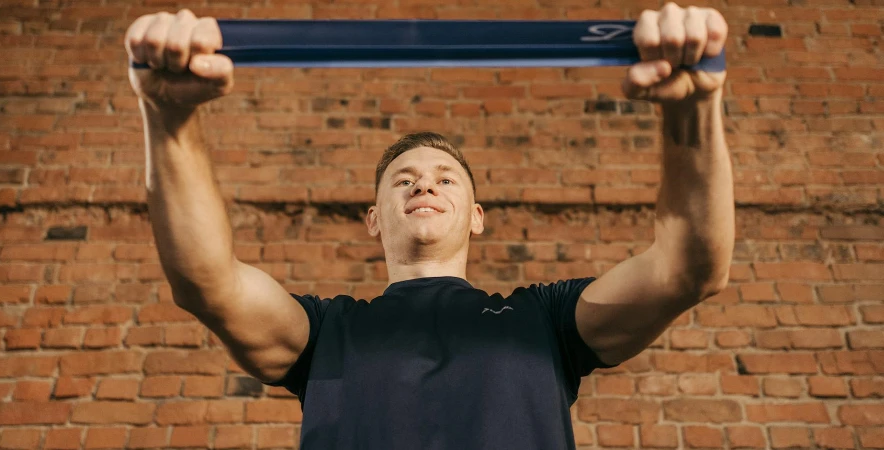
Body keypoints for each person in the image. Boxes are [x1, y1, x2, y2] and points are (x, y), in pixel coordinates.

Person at [125, 3, 733, 449]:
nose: (424, 184)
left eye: (446, 178)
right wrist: (168, 117)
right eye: (403, 178)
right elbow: (207, 282)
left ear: (476, 218)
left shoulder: (545, 320)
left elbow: (689, 269)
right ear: (373, 219)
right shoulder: (323, 331)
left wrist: (693, 107)